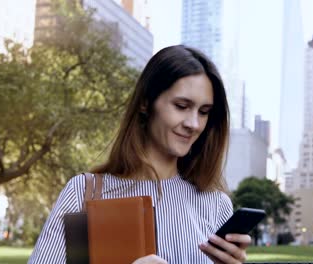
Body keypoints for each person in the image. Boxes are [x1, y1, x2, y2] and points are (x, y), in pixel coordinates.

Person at [28, 45, 251, 264]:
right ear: (146, 102)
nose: (194, 124)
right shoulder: (83, 194)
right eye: (182, 106)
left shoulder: (216, 205)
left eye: (203, 112)